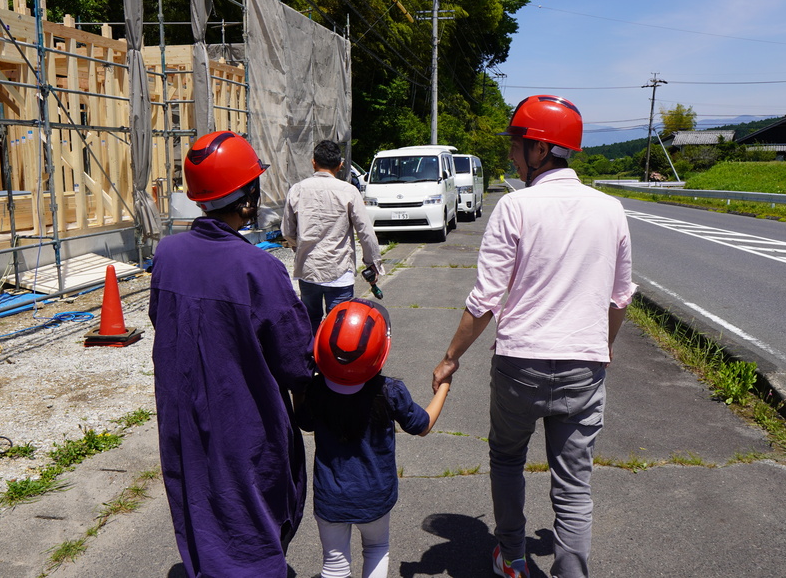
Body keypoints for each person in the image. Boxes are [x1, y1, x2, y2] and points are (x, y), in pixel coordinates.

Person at [432, 95, 637, 578]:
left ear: (541, 150)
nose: (512, 155)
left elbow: (485, 300)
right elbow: (620, 297)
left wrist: (450, 358)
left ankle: (513, 558)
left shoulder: (515, 208)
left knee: (506, 459)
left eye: (518, 146)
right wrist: (601, 347)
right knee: (574, 486)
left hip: (519, 365)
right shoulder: (611, 211)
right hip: (583, 368)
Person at [149, 130, 316, 577]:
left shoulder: (166, 255)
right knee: (252, 517)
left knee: (199, 505)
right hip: (246, 422)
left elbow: (161, 321)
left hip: (182, 417)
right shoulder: (260, 268)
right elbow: (297, 358)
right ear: (246, 200)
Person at [296, 299, 450, 578]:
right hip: (375, 495)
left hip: (331, 495)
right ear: (380, 351)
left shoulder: (315, 389)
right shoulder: (389, 391)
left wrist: (300, 386)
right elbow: (422, 425)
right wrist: (444, 388)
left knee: (334, 565)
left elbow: (305, 423)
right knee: (377, 547)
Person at [282, 139, 384, 328]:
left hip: (308, 269)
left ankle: (311, 357)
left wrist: (300, 247)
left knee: (310, 322)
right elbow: (366, 233)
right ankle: (333, 357)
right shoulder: (349, 191)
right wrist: (372, 263)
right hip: (339, 271)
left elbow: (287, 231)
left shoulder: (297, 190)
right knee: (340, 326)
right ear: (340, 165)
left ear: (313, 162)